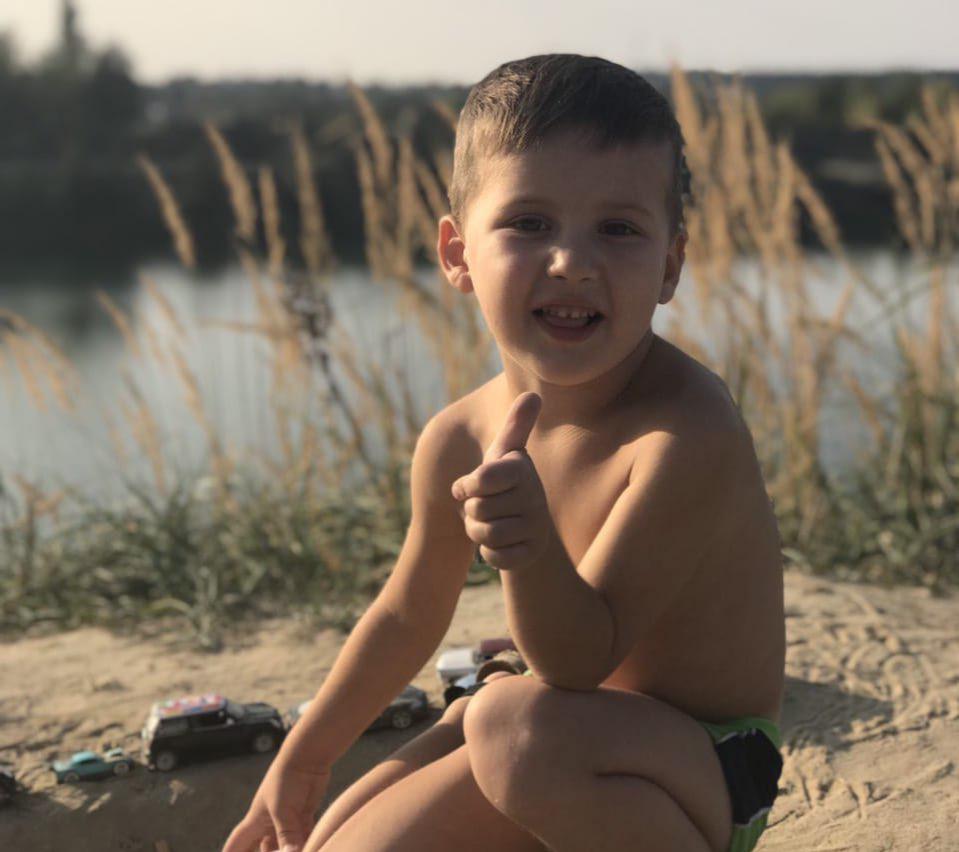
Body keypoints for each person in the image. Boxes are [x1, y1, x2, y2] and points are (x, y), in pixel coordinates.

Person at [224, 53, 785, 852]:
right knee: (339, 838)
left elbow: (577, 659)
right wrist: (304, 757)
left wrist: (528, 549)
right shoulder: (457, 435)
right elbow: (407, 613)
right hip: (559, 731)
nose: (573, 262)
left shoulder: (686, 430)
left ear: (668, 265)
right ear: (457, 253)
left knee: (508, 724)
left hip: (702, 763)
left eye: (618, 229)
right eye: (528, 223)